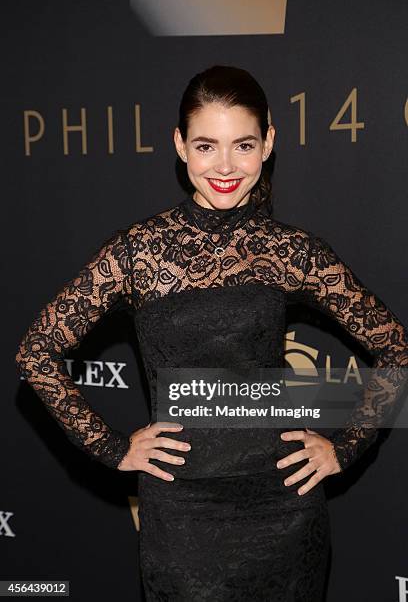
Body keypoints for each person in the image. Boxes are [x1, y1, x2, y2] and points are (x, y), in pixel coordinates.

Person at [15, 65, 408, 601]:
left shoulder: (291, 251)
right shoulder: (138, 251)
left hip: (285, 507)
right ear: (179, 146)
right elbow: (36, 353)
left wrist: (345, 447)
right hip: (182, 516)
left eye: (242, 144)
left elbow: (395, 346)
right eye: (206, 146)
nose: (225, 166)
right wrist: (111, 448)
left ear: (268, 141)